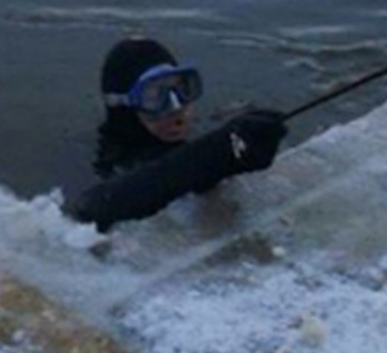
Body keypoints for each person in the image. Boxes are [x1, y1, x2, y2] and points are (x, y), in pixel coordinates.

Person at [65, 35, 288, 232]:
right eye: (154, 98)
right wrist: (219, 152)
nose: (175, 109)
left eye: (181, 90)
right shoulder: (99, 156)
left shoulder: (199, 129)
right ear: (124, 108)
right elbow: (92, 208)